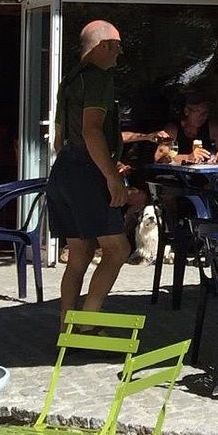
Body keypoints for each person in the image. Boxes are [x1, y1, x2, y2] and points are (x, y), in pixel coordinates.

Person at [50, 20, 145, 315]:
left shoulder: (69, 80)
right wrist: (111, 177)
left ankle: (66, 327)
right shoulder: (99, 79)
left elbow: (57, 140)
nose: (120, 53)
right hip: (87, 171)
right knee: (118, 249)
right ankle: (88, 321)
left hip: (64, 169)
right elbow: (92, 131)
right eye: (117, 46)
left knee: (79, 254)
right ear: (104, 45)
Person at [167, 88, 218, 164]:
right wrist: (188, 157)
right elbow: (160, 157)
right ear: (186, 111)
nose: (202, 117)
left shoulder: (212, 128)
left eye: (205, 113)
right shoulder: (173, 129)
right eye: (198, 111)